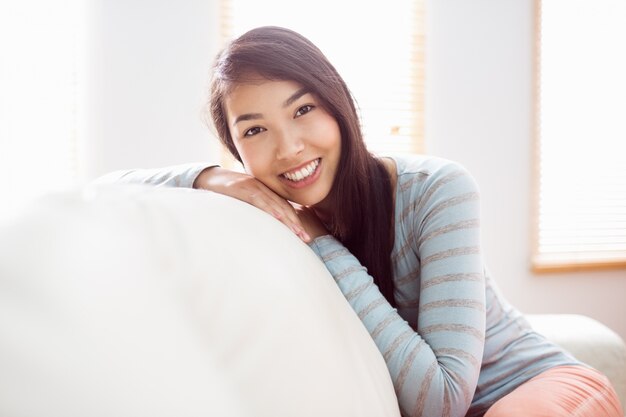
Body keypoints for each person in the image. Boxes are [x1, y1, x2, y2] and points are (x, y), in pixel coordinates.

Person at [103, 26, 623, 417]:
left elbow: (441, 400)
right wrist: (210, 178)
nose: (289, 148)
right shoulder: (255, 208)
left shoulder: (437, 189)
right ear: (236, 149)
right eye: (255, 130)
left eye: (303, 110)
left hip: (537, 388)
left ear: (338, 104)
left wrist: (323, 243)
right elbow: (101, 192)